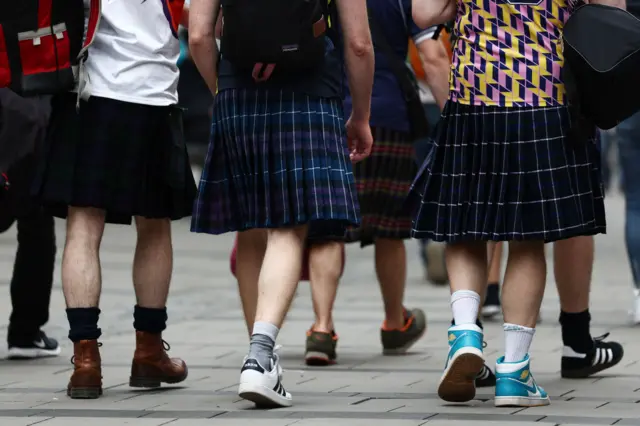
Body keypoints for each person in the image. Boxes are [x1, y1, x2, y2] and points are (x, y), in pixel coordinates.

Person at [411, 0, 620, 408]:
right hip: (545, 93)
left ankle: (466, 333)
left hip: (475, 92)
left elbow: (424, 13)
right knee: (527, 239)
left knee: (466, 227)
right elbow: (612, 14)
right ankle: (514, 370)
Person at [189, 0, 374, 409]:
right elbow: (359, 44)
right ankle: (260, 353)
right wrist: (360, 115)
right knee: (289, 226)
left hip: (238, 92)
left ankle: (259, 353)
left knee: (251, 224)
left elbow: (199, 35)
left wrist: (223, 88)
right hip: (309, 89)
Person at [32, 0, 195, 399]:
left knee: (84, 224)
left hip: (87, 92)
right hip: (152, 94)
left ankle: (86, 361)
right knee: (154, 225)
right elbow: (196, 17)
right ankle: (148, 352)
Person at [0, 91, 59, 359]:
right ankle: (25, 332)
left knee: (37, 227)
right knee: (36, 227)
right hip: (29, 106)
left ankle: (26, 331)